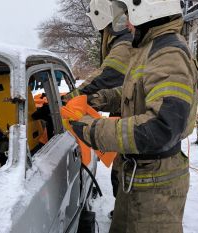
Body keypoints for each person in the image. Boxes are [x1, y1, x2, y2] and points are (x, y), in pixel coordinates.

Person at [70, 0, 198, 232]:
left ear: (148, 9)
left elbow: (162, 127)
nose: (127, 24)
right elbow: (135, 92)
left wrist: (94, 130)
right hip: (141, 176)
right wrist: (101, 98)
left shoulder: (169, 54)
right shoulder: (150, 48)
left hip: (156, 187)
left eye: (130, 15)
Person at [67, 0, 133, 215]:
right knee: (123, 169)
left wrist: (75, 95)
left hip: (134, 117)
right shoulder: (122, 39)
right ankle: (124, 209)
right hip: (126, 112)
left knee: (128, 170)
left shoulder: (124, 42)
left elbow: (109, 75)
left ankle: (127, 212)